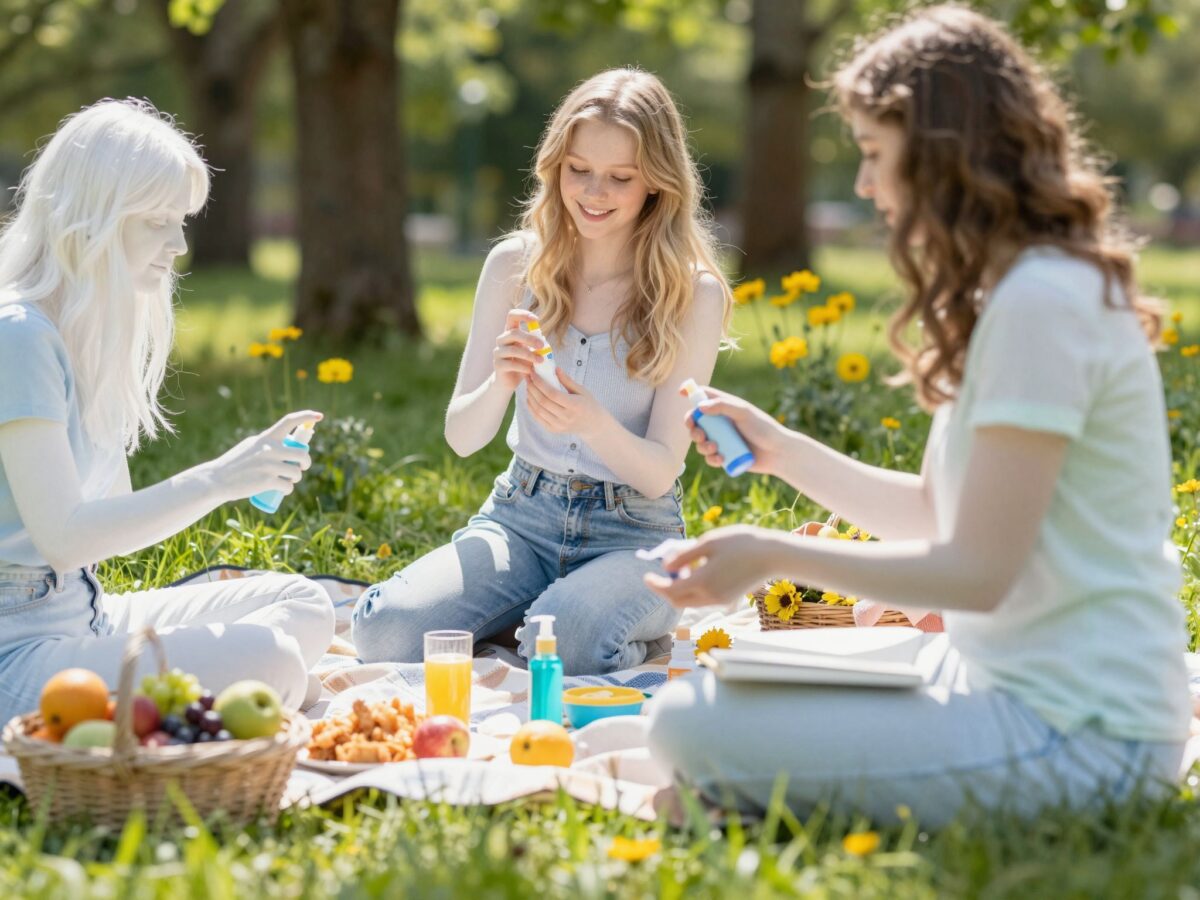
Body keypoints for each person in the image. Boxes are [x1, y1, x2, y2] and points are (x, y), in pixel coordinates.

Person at [645, 6, 1191, 827]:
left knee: (684, 725)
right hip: (1009, 692)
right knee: (714, 697)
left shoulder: (1042, 302)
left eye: (873, 155)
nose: (864, 185)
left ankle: (744, 798)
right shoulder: (1012, 291)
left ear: (941, 155)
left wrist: (767, 553)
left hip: (1082, 737)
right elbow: (939, 516)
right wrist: (784, 451)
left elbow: (976, 572)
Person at [352, 69, 731, 673]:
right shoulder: (514, 266)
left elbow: (662, 471)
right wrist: (501, 382)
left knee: (570, 644)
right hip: (521, 517)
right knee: (386, 636)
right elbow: (462, 436)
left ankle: (583, 613)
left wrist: (595, 423)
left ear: (657, 185)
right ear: (556, 165)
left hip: (633, 531)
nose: (594, 192)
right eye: (578, 169)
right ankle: (542, 610)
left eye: (620, 178)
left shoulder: (693, 294)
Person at [0, 100, 334, 722]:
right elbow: (66, 538)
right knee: (274, 658)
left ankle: (263, 687)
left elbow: (107, 528)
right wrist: (219, 479)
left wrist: (237, 476)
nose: (178, 244)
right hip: (18, 648)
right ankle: (273, 689)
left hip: (85, 613)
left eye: (180, 220)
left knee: (307, 604)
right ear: (92, 218)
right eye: (157, 220)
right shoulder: (20, 335)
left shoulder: (84, 332)